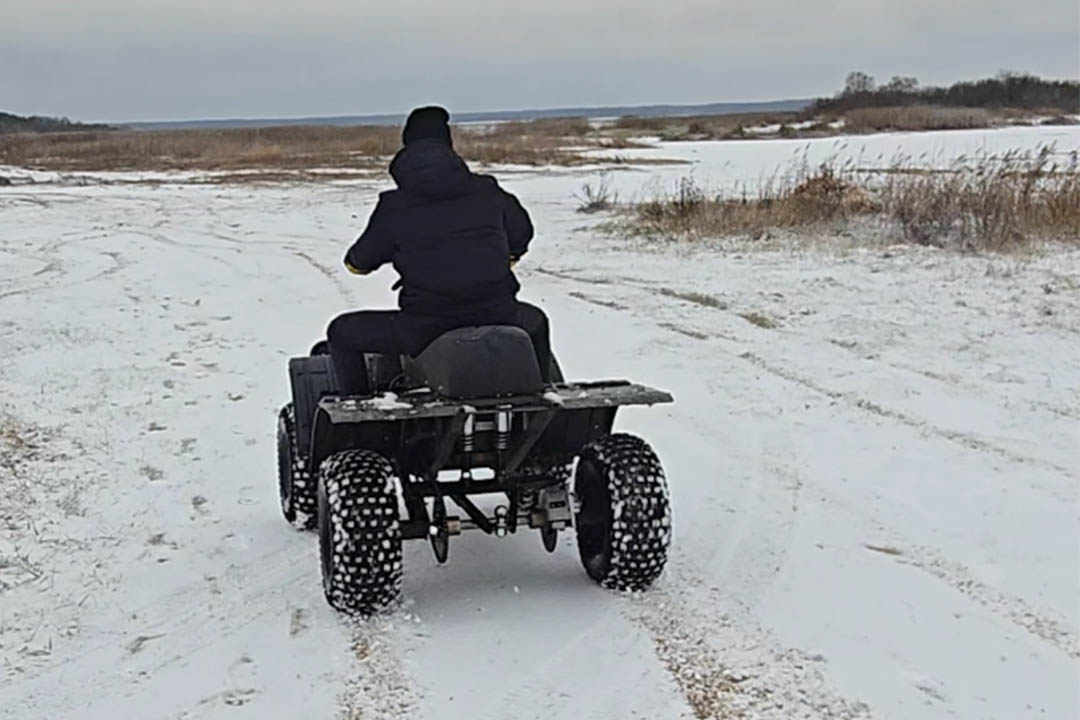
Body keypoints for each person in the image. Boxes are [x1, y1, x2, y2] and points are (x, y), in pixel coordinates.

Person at [327, 106, 554, 395]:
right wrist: (507, 257)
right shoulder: (488, 191)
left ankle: (358, 407)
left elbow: (359, 263)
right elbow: (522, 233)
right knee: (536, 322)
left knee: (341, 332)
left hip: (426, 326)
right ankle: (541, 395)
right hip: (499, 314)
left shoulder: (394, 207)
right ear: (449, 146)